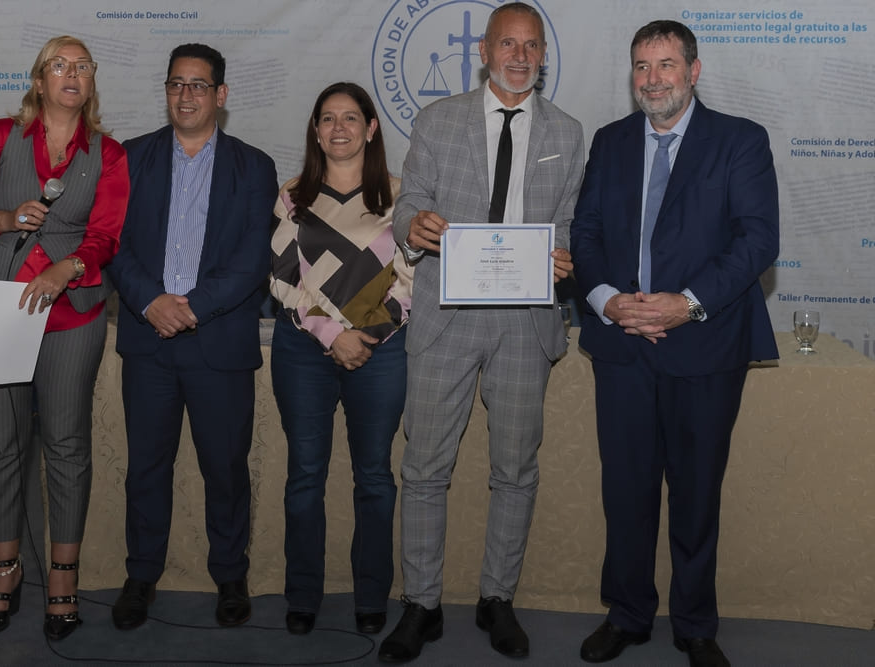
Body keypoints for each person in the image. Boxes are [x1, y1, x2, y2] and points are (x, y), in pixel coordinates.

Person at [377, 3, 585, 662]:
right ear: (484, 51)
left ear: (543, 56)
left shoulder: (568, 131)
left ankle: (498, 598)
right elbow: (409, 205)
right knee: (424, 467)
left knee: (515, 470)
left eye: (531, 45)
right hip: (447, 316)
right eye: (507, 44)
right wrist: (415, 227)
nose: (519, 56)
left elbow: (568, 221)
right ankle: (421, 604)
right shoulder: (438, 120)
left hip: (525, 322)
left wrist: (564, 257)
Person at [570, 20, 779, 667]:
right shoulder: (609, 141)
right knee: (626, 490)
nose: (652, 79)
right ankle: (627, 613)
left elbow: (756, 240)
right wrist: (607, 300)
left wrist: (684, 304)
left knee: (695, 492)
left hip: (705, 347)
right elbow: (585, 232)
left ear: (693, 70)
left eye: (665, 64)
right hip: (622, 345)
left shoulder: (740, 140)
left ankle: (694, 624)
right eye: (642, 66)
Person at [0, 35, 129, 641]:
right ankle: (3, 573)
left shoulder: (108, 154)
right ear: (40, 78)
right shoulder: (0, 137)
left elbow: (107, 234)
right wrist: (3, 218)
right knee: (1, 444)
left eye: (82, 66)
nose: (71, 74)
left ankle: (62, 581)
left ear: (92, 81)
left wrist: (66, 267)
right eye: (59, 65)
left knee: (67, 446)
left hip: (71, 312)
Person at [107, 43, 277, 631]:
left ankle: (230, 576)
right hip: (148, 340)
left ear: (220, 95)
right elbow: (113, 243)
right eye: (176, 84)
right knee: (146, 467)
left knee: (225, 468)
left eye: (198, 85)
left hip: (218, 342)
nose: (186, 95)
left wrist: (192, 308)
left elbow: (254, 258)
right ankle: (140, 575)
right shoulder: (130, 158)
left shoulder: (254, 167)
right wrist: (151, 301)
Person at [270, 82, 413, 636]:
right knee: (305, 475)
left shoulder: (402, 196)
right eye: (327, 118)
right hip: (303, 351)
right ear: (315, 130)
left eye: (350, 118)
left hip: (381, 351)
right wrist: (332, 334)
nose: (339, 128)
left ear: (371, 128)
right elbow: (282, 278)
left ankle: (371, 595)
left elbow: (414, 279)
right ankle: (303, 595)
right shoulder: (292, 195)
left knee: (374, 476)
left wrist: (365, 334)